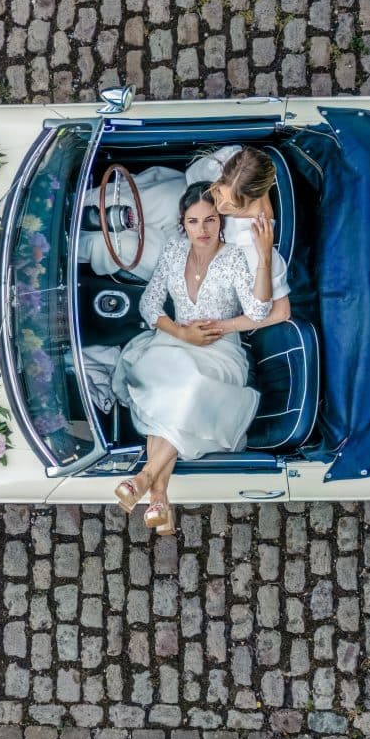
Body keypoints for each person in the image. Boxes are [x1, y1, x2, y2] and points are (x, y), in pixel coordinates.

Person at [109, 181, 276, 534]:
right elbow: (149, 303)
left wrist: (263, 255)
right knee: (174, 393)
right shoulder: (172, 250)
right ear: (182, 224)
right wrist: (181, 332)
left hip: (221, 351)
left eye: (210, 220)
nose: (203, 230)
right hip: (172, 343)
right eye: (194, 221)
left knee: (190, 389)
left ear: (221, 222)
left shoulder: (234, 257)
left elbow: (259, 310)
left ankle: (146, 478)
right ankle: (157, 498)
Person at [186, 145, 292, 326]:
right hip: (183, 202)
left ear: (255, 197)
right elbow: (190, 177)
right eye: (219, 192)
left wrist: (219, 328)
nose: (220, 206)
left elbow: (281, 312)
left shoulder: (255, 238)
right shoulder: (230, 159)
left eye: (232, 205)